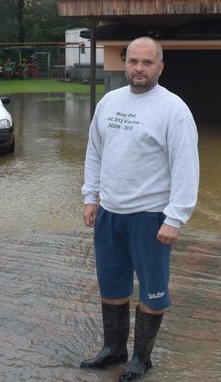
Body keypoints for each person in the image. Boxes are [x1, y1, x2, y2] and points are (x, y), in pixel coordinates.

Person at [80, 36, 199, 381]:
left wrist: (175, 218)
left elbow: (186, 167)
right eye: (134, 61)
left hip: (151, 218)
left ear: (160, 67)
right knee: (112, 286)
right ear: (125, 63)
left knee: (153, 291)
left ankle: (141, 359)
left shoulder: (173, 109)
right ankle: (112, 350)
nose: (139, 69)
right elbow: (94, 152)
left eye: (147, 63)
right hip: (110, 213)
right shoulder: (110, 102)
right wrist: (91, 197)